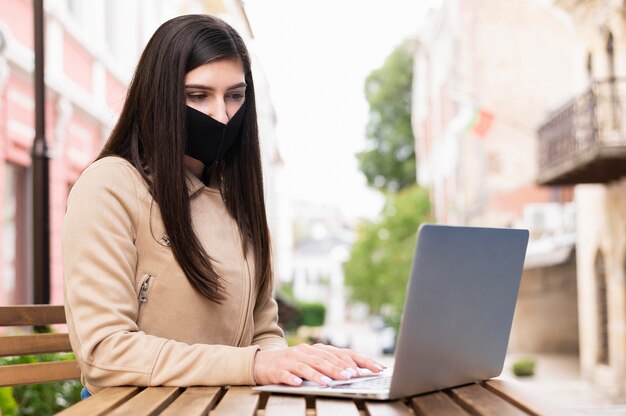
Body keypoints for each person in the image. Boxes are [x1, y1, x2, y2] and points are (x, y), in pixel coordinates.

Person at [62, 14, 384, 399]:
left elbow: (264, 331)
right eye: (198, 96)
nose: (222, 114)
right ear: (158, 97)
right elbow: (104, 354)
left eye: (235, 95)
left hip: (228, 404)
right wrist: (254, 365)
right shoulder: (109, 186)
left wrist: (297, 372)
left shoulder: (238, 199)